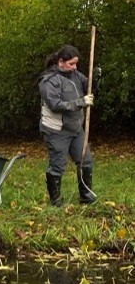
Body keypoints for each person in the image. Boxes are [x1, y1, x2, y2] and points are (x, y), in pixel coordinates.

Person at [38, 44, 97, 206]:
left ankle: (86, 196)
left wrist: (96, 81)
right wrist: (81, 102)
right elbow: (55, 104)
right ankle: (56, 202)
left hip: (76, 128)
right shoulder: (48, 80)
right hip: (56, 130)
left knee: (85, 161)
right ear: (60, 62)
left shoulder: (75, 75)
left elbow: (88, 86)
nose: (75, 67)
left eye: (76, 64)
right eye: (71, 64)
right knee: (57, 165)